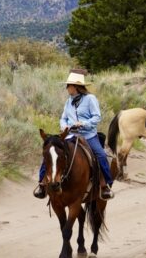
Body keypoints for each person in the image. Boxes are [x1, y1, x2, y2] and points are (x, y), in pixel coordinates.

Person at [34, 71, 114, 200]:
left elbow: (97, 117)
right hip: (70, 135)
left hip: (88, 135)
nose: (67, 88)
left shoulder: (90, 99)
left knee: (101, 154)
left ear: (76, 87)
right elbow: (63, 118)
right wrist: (64, 126)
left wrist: (83, 123)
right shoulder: (68, 101)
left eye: (68, 85)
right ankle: (42, 184)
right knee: (51, 153)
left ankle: (105, 186)